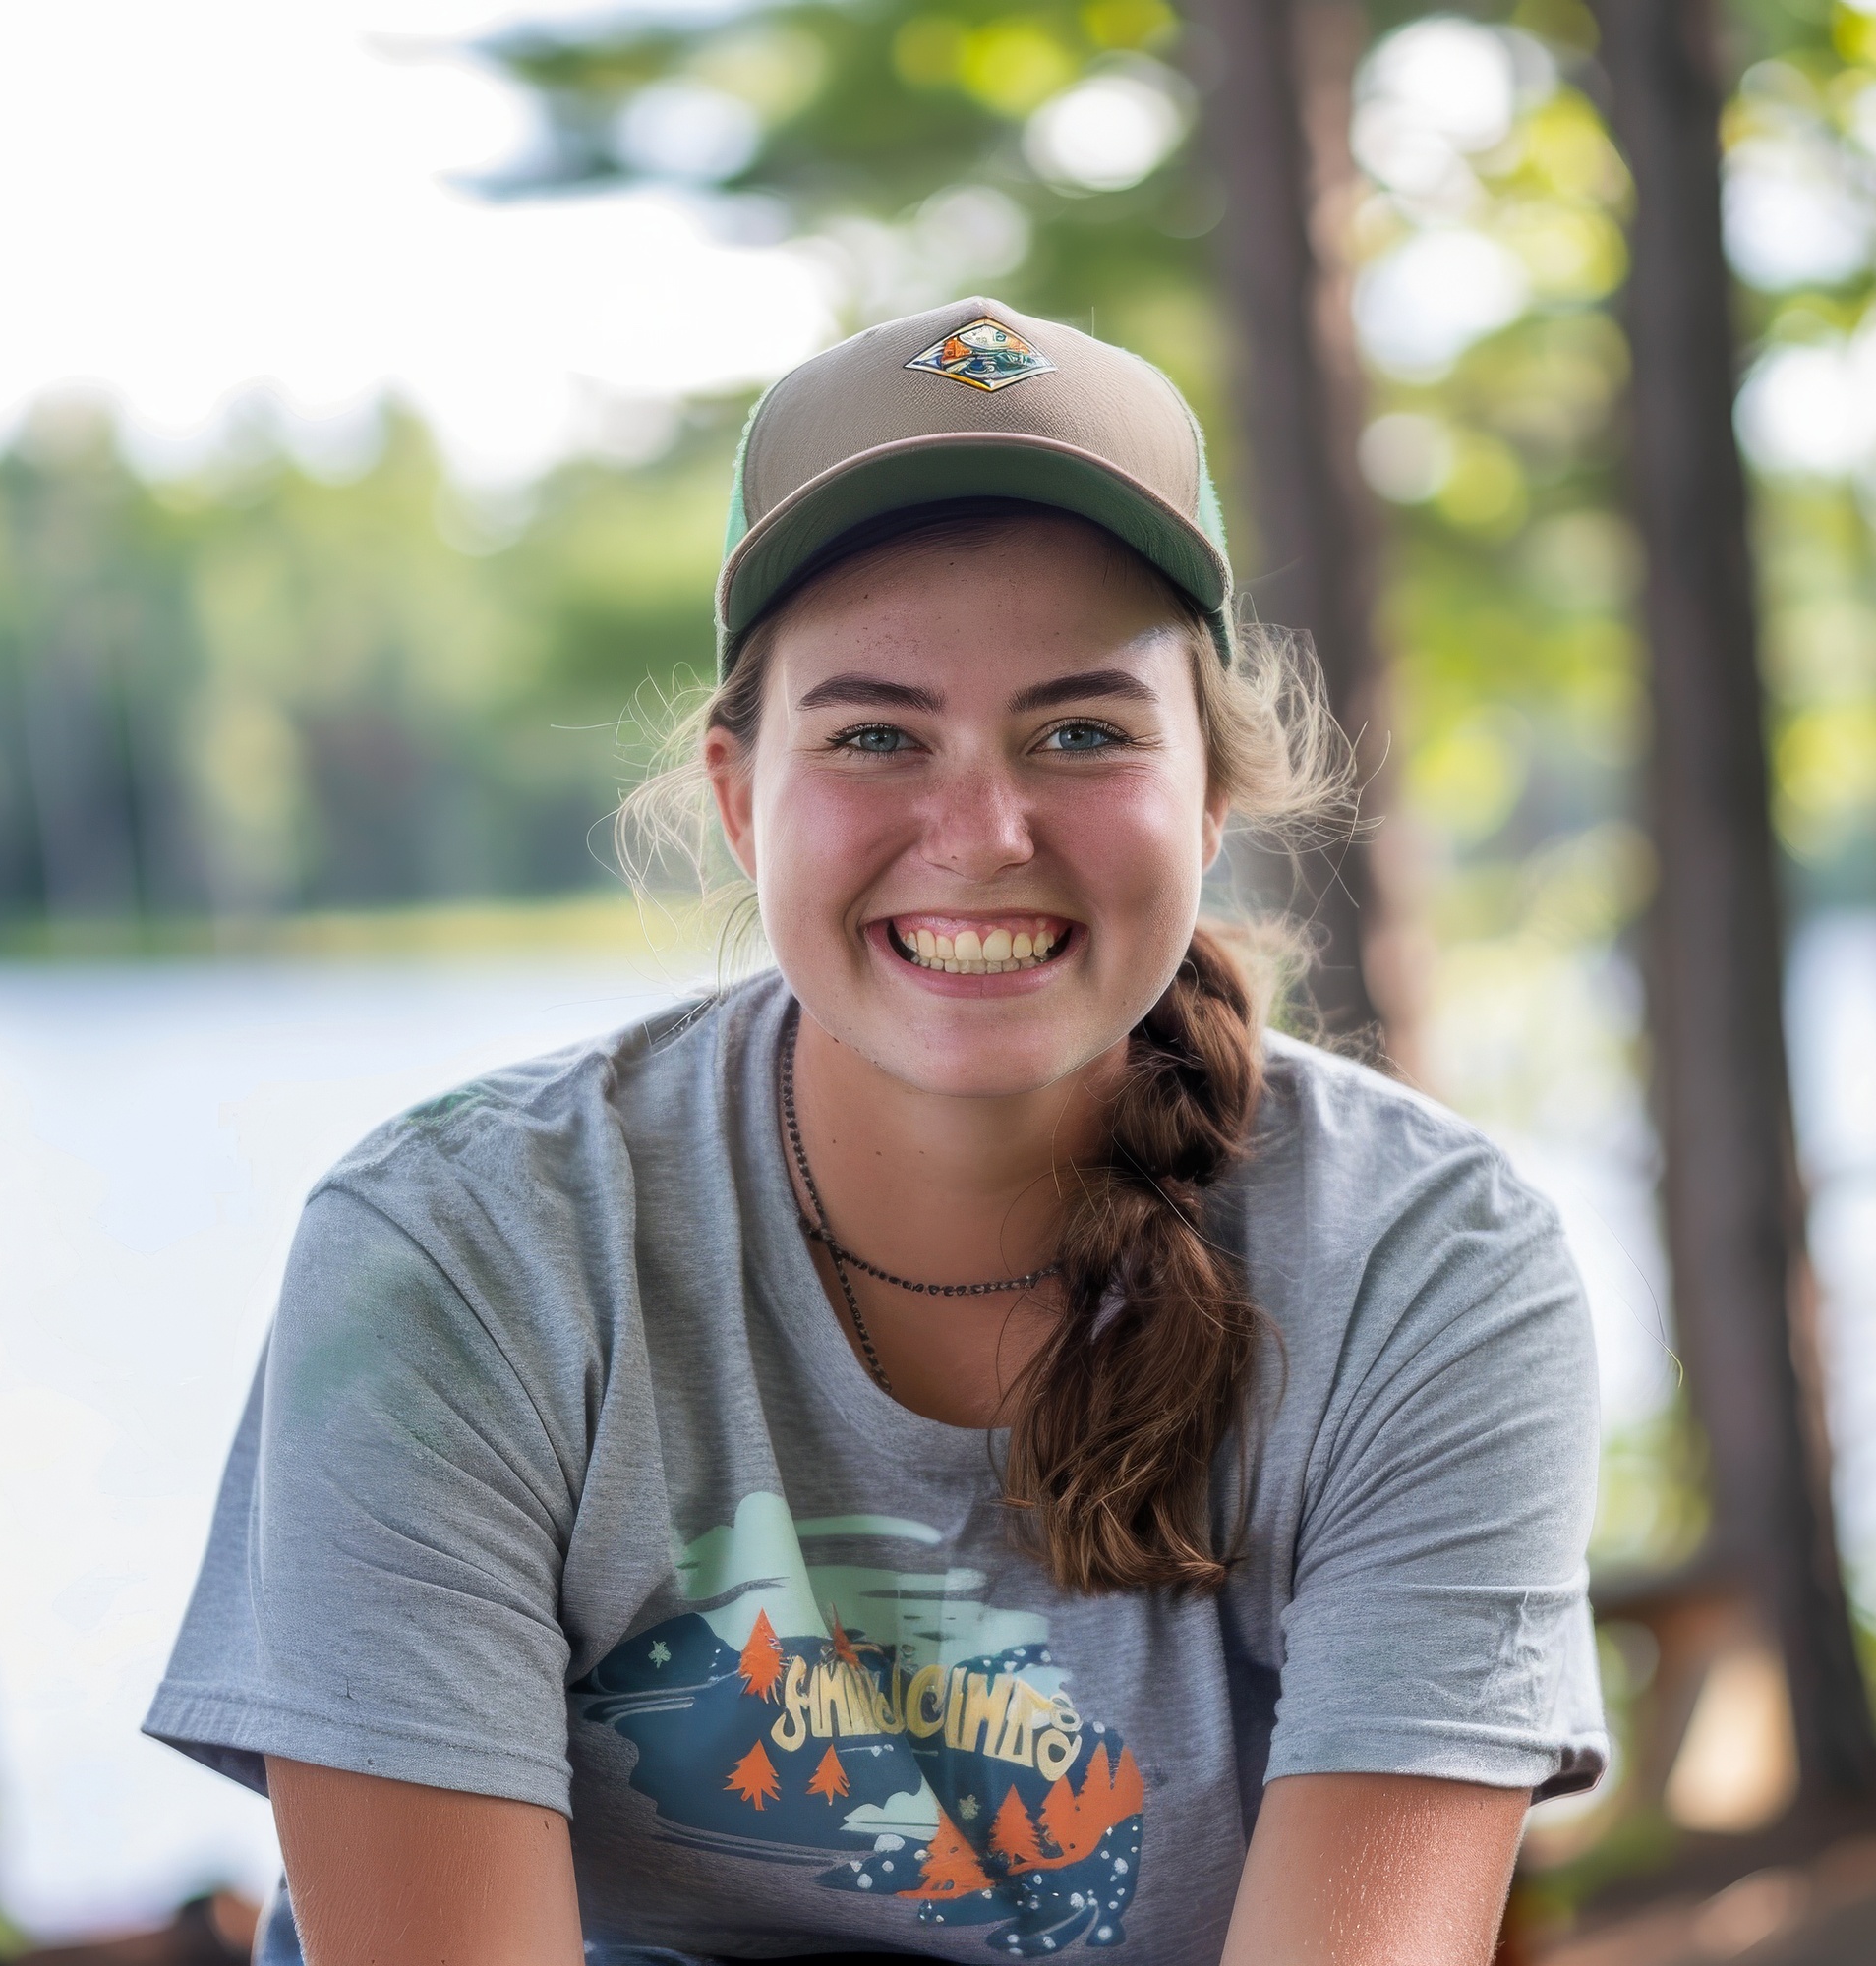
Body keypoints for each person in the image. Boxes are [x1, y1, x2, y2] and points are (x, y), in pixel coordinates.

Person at [146, 298, 1606, 1966]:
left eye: (1081, 732)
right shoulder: (458, 1256)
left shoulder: (1429, 1270)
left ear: (1207, 791)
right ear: (739, 794)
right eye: (875, 736)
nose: (982, 833)